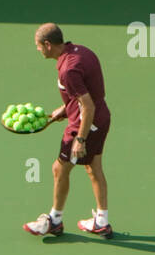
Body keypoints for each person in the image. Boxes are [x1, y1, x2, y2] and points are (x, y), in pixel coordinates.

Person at [23, 23, 113, 238]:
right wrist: (64, 110)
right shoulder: (81, 52)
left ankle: (54, 220)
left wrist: (80, 139)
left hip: (85, 122)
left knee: (59, 169)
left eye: (38, 46)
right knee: (94, 168)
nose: (37, 50)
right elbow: (88, 95)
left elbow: (87, 106)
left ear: (47, 45)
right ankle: (101, 221)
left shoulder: (68, 70)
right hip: (102, 117)